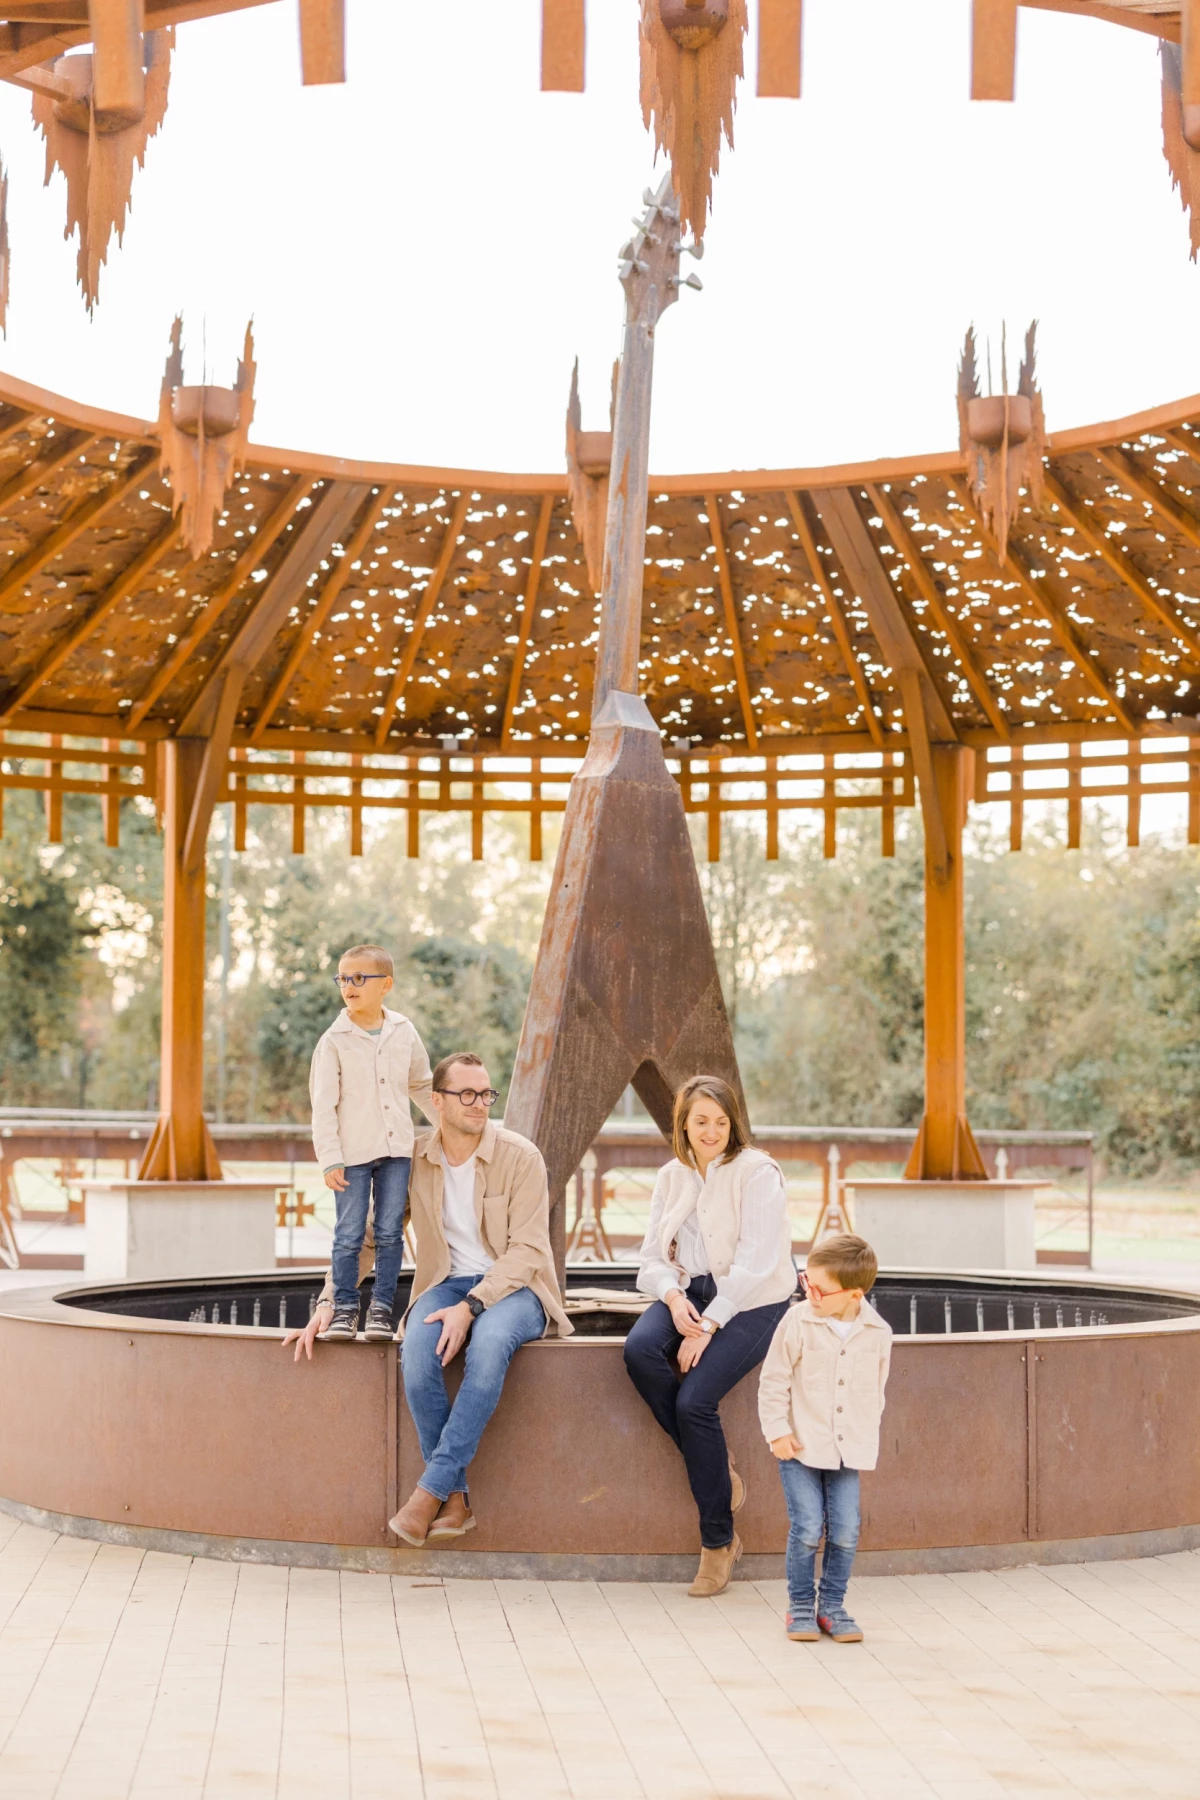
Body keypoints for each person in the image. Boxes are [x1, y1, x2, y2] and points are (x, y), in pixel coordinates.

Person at [290, 1052, 571, 1548]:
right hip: (444, 1284)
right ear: (436, 1101)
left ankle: (429, 1492)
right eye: (466, 1094)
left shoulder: (521, 1157)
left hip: (516, 1289)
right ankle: (456, 1499)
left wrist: (472, 1307)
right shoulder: (414, 1159)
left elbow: (528, 1250)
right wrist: (329, 1303)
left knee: (487, 1344)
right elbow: (374, 1242)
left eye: (486, 1094)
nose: (479, 1104)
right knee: (416, 1348)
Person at [623, 1074, 797, 1598]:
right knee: (640, 1352)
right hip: (688, 1291)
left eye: (721, 1121)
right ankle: (717, 1471)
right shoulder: (672, 1176)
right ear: (683, 1123)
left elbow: (757, 1262)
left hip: (752, 1298)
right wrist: (674, 1300)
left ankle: (718, 1542)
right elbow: (651, 1259)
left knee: (695, 1400)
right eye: (701, 1121)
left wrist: (710, 1324)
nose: (712, 1130)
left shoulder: (757, 1172)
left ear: (733, 1123)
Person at [757, 1232, 892, 1645]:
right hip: (798, 1445)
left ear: (854, 1295)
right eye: (805, 1282)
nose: (809, 1293)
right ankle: (799, 1607)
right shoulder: (797, 1321)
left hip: (848, 1449)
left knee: (847, 1529)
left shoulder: (877, 1332)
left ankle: (832, 1607)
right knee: (807, 1527)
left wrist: (864, 1441)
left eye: (819, 1288)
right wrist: (778, 1432)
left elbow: (875, 1393)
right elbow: (773, 1381)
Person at [309, 943, 434, 1342]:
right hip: (352, 1156)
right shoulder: (334, 1041)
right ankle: (344, 1308)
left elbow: (421, 1085)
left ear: (386, 985)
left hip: (398, 1151)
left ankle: (381, 1309)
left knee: (389, 1232)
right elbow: (323, 1106)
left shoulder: (403, 1030)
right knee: (348, 1234)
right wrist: (330, 1159)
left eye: (359, 978)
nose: (349, 986)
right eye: (343, 979)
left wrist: (451, 1125)